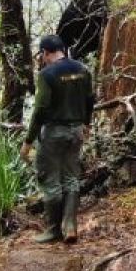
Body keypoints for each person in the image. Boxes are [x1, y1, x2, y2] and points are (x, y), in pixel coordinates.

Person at [19, 35, 95, 244]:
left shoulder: (47, 74)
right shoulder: (82, 69)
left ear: (46, 52)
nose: (42, 58)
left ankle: (53, 230)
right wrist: (87, 124)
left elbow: (40, 109)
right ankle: (70, 226)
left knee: (49, 179)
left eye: (42, 54)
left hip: (54, 132)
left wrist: (28, 141)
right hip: (77, 130)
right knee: (71, 177)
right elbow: (90, 99)